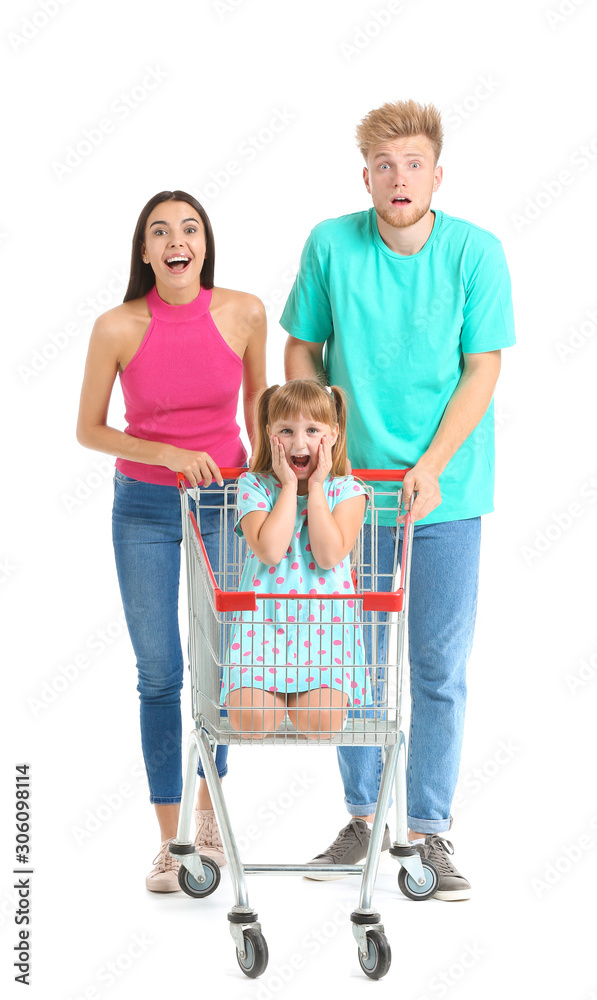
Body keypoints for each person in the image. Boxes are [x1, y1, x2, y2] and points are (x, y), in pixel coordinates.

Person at [281, 100, 515, 898]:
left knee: (437, 664)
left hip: (443, 493)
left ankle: (427, 831)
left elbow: (481, 368)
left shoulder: (475, 253)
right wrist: (318, 444)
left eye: (412, 163)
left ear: (436, 174)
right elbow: (300, 346)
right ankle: (361, 819)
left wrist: (434, 463)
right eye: (384, 165)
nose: (398, 178)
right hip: (351, 490)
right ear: (366, 177)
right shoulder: (330, 244)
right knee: (354, 659)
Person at [76, 189, 267, 891]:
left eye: (188, 228)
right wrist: (164, 455)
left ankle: (210, 815)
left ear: (203, 244)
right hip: (146, 511)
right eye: (160, 231)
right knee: (159, 672)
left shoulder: (243, 311)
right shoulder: (116, 327)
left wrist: (270, 482)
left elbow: (257, 406)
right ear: (146, 251)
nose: (175, 240)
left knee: (217, 669)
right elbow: (89, 429)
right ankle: (172, 842)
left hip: (223, 506)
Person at [221, 380, 371, 738]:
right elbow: (271, 551)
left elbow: (328, 554)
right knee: (252, 721)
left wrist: (316, 487)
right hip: (262, 633)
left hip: (325, 636)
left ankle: (305, 694)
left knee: (321, 723)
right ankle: (273, 693)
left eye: (312, 430)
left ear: (333, 434)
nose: (299, 443)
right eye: (286, 430)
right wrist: (289, 487)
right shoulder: (254, 487)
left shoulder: (348, 492)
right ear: (269, 433)